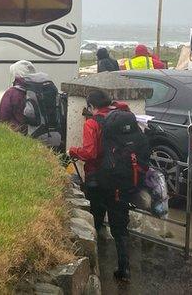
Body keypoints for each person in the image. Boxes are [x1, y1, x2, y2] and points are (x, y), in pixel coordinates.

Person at [69, 89, 133, 282]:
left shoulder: (92, 123)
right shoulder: (124, 117)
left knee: (94, 221)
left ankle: (93, 266)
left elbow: (90, 153)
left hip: (97, 179)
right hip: (122, 178)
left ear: (91, 106)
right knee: (120, 226)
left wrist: (73, 150)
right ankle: (124, 268)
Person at [0, 60, 37, 133]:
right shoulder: (38, 90)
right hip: (37, 132)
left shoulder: (11, 93)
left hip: (17, 133)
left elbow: (2, 118)